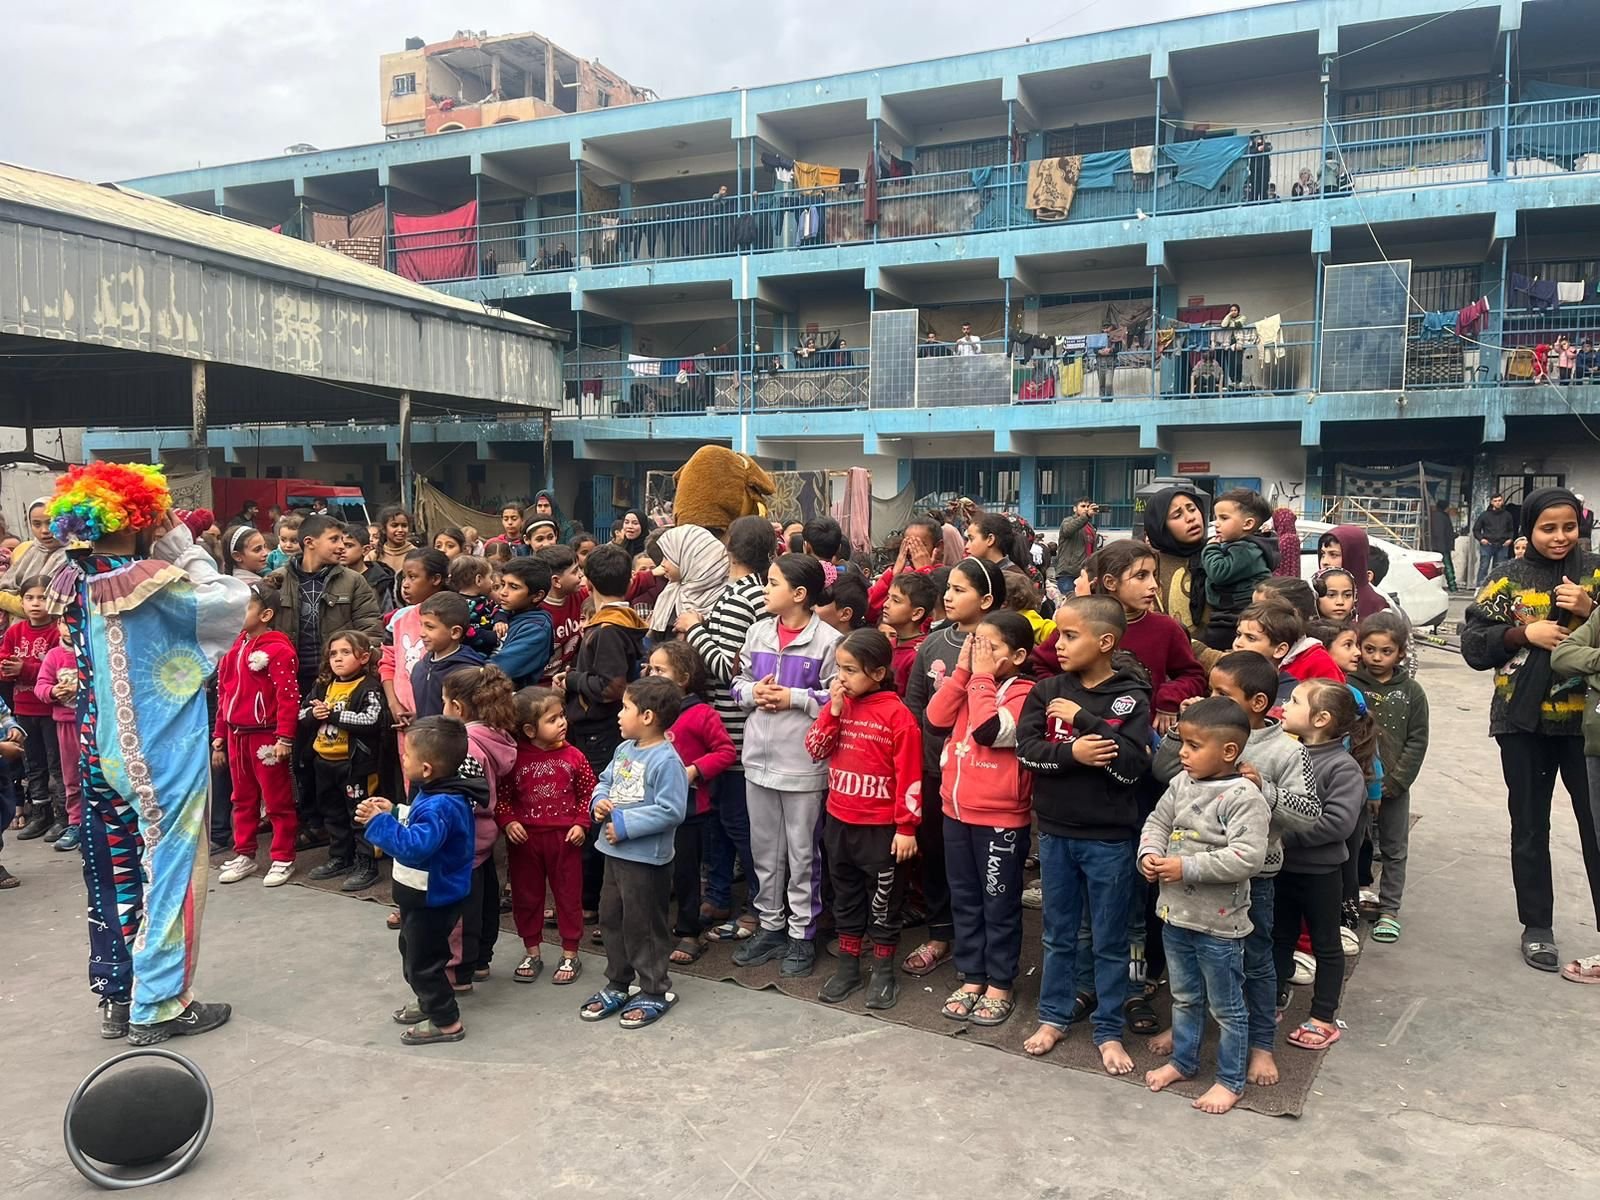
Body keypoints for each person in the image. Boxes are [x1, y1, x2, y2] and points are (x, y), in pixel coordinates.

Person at [47, 462, 250, 1044]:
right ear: (142, 514)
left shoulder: (74, 576)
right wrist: (184, 544)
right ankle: (158, 1003)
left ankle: (116, 991)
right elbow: (227, 603)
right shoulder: (155, 578)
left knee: (111, 870)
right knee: (174, 873)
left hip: (96, 748)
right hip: (161, 749)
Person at [1151, 651, 1321, 1087]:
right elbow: (1165, 778)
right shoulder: (1201, 737)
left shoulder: (1287, 749)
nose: (1211, 699)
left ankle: (1260, 1045)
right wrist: (1183, 735)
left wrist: (1263, 787)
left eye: (1221, 694)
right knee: (1192, 968)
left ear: (1258, 703)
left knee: (1257, 962)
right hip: (1185, 884)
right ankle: (1190, 1037)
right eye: (1209, 690)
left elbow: (1310, 814)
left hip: (1254, 876)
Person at [1465, 487, 1600, 972]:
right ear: (1529, 530)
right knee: (1529, 826)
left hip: (1589, 726)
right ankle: (1537, 927)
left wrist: (1590, 611)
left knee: (1597, 826)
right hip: (1521, 723)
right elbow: (1474, 646)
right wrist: (1524, 634)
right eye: (1548, 528)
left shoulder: (1596, 574)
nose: (1560, 537)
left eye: (1568, 527)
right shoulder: (1506, 578)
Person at [1016, 595, 1151, 1074]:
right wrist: (1073, 755)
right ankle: (1053, 1016)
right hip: (1053, 834)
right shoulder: (1046, 689)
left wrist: (1085, 722)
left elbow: (1136, 767)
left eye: (1070, 635)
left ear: (1106, 642)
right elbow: (1027, 751)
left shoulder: (1131, 697)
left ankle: (1108, 1030)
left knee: (1110, 940)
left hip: (1110, 840)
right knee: (1058, 934)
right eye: (1058, 633)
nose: (1058, 643)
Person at [1139, 696, 1269, 1114]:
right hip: (1174, 916)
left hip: (1220, 928)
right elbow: (1158, 821)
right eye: (1182, 742)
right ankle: (1184, 1061)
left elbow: (1248, 857)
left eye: (1194, 746)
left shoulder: (1243, 797)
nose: (1182, 752)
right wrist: (1148, 855)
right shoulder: (1181, 783)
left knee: (1228, 1008)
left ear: (1229, 751)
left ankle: (1230, 1081)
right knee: (1184, 997)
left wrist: (1185, 866)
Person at [730, 554, 842, 978]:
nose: (764, 590)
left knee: (802, 853)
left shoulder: (828, 641)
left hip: (804, 768)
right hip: (757, 762)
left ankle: (801, 933)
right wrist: (752, 691)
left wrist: (793, 698)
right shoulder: (757, 632)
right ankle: (771, 924)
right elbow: (737, 681)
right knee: (765, 852)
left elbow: (838, 700)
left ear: (799, 594)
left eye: (772, 583)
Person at [924, 610, 1036, 1026]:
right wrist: (962, 672)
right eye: (975, 642)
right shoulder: (969, 682)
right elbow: (935, 720)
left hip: (1000, 819)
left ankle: (1000, 983)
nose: (979, 651)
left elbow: (991, 730)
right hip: (956, 812)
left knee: (998, 903)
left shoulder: (1024, 694)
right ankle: (973, 976)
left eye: (990, 646)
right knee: (965, 898)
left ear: (1019, 655)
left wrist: (982, 678)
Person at [803, 629, 923, 1010]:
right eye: (839, 668)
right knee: (847, 895)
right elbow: (815, 750)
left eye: (850, 670)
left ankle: (883, 971)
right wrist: (834, 712)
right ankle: (849, 967)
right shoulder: (840, 705)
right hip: (839, 821)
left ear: (878, 672)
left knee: (885, 902)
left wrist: (906, 828)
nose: (841, 678)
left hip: (882, 830)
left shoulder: (898, 716)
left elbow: (910, 776)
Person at [900, 557, 1008, 979]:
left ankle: (982, 945)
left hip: (983, 776)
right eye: (949, 587)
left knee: (982, 867)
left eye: (960, 590)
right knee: (938, 857)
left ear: (987, 599)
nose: (948, 595)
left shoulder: (1001, 647)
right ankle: (941, 934)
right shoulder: (933, 643)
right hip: (933, 770)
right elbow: (914, 705)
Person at [357, 716, 484, 1046]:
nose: (403, 758)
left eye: (407, 755)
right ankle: (429, 999)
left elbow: (416, 846)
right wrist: (396, 811)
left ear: (426, 768)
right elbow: (421, 825)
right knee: (414, 951)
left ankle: (445, 1020)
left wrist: (381, 824)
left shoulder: (442, 802)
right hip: (420, 895)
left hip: (434, 898)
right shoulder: (437, 792)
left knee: (423, 961)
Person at [678, 515, 772, 940]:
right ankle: (718, 896)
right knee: (721, 821)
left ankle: (754, 904)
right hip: (736, 728)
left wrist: (694, 629)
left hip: (732, 730)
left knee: (736, 823)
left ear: (727, 548)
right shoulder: (754, 593)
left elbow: (726, 668)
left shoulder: (737, 598)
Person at [579, 676, 690, 1029]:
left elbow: (672, 810)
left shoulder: (666, 760)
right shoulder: (625, 749)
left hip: (646, 860)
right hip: (614, 853)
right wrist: (599, 802)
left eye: (625, 708)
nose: (618, 715)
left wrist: (626, 825)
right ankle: (618, 982)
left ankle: (654, 989)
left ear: (647, 716)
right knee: (612, 918)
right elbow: (606, 781)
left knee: (644, 925)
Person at [1274, 680, 1375, 1051]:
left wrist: (1282, 835)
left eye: (1295, 701)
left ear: (1321, 718)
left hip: (1321, 873)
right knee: (1278, 937)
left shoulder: (1341, 768)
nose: (1285, 704)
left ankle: (1322, 1017)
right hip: (1282, 869)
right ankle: (1272, 999)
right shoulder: (1287, 754)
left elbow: (1337, 824)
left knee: (1326, 944)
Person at [558, 543, 650, 919]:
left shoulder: (609, 628)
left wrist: (573, 679)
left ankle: (593, 900)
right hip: (601, 728)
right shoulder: (619, 621)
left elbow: (612, 686)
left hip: (599, 730)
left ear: (589, 580)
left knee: (596, 809)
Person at [647, 640, 736, 965]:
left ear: (683, 677)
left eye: (661, 670)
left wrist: (694, 770)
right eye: (650, 668)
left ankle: (689, 931)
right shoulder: (649, 713)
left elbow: (725, 751)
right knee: (653, 870)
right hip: (651, 810)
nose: (652, 674)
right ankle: (651, 927)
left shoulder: (701, 714)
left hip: (689, 810)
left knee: (686, 873)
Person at [500, 686, 595, 986]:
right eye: (553, 719)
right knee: (526, 896)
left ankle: (570, 952)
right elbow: (501, 797)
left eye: (562, 716)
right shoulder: (513, 759)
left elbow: (588, 794)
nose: (562, 722)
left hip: (565, 840)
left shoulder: (575, 756)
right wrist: (508, 821)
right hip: (524, 841)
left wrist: (582, 823)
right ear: (529, 729)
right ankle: (532, 950)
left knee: (568, 896)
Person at [213, 583, 301, 887]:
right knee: (242, 798)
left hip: (266, 737)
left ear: (265, 614)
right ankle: (245, 854)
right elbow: (224, 694)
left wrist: (284, 737)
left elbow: (288, 697)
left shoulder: (278, 649)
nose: (238, 614)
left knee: (277, 800)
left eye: (246, 607)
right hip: (237, 736)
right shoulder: (233, 648)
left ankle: (283, 857)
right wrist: (219, 736)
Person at [1350, 613, 1429, 944]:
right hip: (1353, 786)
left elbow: (1417, 740)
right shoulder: (1351, 686)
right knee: (1354, 846)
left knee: (1395, 849)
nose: (1377, 658)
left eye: (1386, 651)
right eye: (1370, 650)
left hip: (1396, 786)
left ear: (1401, 654)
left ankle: (1390, 910)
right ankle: (1351, 904)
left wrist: (1395, 782)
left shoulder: (1412, 692)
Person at [440, 666, 519, 991]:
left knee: (460, 912)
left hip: (465, 840)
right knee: (485, 901)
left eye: (444, 703)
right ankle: (481, 959)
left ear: (457, 708)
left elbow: (464, 798)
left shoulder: (467, 746)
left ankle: (458, 972)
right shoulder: (494, 737)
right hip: (486, 836)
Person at [302, 630, 388, 891]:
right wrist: (314, 714)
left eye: (345, 653)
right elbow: (301, 712)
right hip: (324, 761)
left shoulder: (369, 687)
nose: (337, 659)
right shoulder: (323, 685)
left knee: (360, 813)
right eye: (333, 654)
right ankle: (341, 857)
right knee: (333, 812)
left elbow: (371, 719)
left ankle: (367, 862)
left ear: (363, 657)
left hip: (356, 765)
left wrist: (333, 715)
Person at [2, 577, 64, 841]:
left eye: (41, 597)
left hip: (49, 710)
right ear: (22, 601)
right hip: (23, 709)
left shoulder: (56, 633)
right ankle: (41, 813)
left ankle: (62, 817)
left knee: (55, 764)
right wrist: (7, 668)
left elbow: (57, 668)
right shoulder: (15, 632)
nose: (35, 603)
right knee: (33, 764)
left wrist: (24, 669)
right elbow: (4, 661)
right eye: (30, 598)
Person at [1200, 488, 1280, 650]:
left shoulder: (1245, 550)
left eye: (1224, 518)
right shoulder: (1240, 546)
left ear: (1248, 524)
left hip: (1237, 613)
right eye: (1216, 518)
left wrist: (1211, 548)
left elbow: (1219, 572)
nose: (1216, 523)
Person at [1143, 483, 1212, 649]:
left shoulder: (1220, 557)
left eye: (1192, 508)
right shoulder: (1148, 567)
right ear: (1161, 527)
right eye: (1177, 515)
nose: (1190, 517)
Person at [34, 621, 83, 851]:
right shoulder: (54, 655)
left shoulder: (92, 650)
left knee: (100, 774)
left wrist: (81, 689)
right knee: (71, 777)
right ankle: (76, 824)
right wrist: (53, 691)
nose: (70, 625)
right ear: (58, 624)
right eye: (64, 621)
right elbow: (41, 685)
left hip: (94, 723)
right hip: (66, 725)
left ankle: (99, 825)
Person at [410, 592, 485, 721]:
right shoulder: (419, 668)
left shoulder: (467, 673)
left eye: (430, 627)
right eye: (421, 625)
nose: (422, 633)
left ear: (455, 632)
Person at [649, 524, 729, 641]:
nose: (662, 564)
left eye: (668, 557)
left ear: (690, 558)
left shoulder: (724, 598)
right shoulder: (672, 593)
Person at [491, 558, 554, 689]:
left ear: (537, 596)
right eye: (503, 584)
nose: (503, 592)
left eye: (514, 587)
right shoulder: (505, 613)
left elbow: (498, 670)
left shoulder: (536, 630)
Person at [0, 499, 67, 620]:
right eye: (37, 524)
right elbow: (6, 586)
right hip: (16, 630)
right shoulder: (25, 550)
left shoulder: (75, 554)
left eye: (51, 523)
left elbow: (51, 607)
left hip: (53, 633)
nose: (45, 530)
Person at [866, 516, 940, 625]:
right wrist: (893, 574)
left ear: (938, 547)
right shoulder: (903, 573)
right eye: (909, 544)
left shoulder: (944, 576)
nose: (913, 551)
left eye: (919, 545)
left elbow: (935, 615)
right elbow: (870, 612)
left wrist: (925, 571)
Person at [535, 544, 588, 684]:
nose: (581, 575)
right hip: (539, 686)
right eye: (575, 571)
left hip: (567, 679)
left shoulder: (580, 597)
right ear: (556, 581)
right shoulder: (535, 613)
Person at [1316, 526, 1391, 618]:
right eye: (1323, 554)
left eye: (1333, 555)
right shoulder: (1314, 596)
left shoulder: (1376, 607)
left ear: (1353, 558)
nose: (1324, 562)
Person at [881, 572, 936, 696]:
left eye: (896, 600)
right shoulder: (888, 645)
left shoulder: (919, 654)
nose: (886, 604)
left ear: (916, 613)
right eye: (888, 597)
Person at [448, 555, 499, 656]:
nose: (492, 582)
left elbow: (497, 610)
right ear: (478, 580)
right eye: (490, 577)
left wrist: (500, 621)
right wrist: (494, 636)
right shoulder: (459, 606)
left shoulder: (485, 599)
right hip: (472, 656)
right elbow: (467, 632)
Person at [1472, 493, 1518, 586]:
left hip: (1502, 545)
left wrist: (1510, 539)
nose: (1497, 503)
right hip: (1487, 545)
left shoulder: (1507, 515)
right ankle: (1479, 587)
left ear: (1502, 501)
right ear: (1491, 502)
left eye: (1499, 500)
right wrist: (1481, 539)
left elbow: (1511, 529)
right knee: (1484, 567)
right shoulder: (1484, 515)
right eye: (1495, 501)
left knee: (1499, 568)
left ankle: (1496, 588)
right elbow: (1476, 529)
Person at [1055, 499, 1099, 587]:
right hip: (1069, 574)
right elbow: (1068, 530)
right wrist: (1086, 516)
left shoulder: (1090, 527)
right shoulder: (1068, 521)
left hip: (1085, 574)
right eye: (1083, 506)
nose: (1086, 509)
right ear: (1075, 509)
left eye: (1088, 507)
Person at [1429, 501, 1460, 591]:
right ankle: (1452, 586)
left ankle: (1432, 587)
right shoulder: (1443, 517)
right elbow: (1443, 532)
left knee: (1434, 567)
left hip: (1436, 545)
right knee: (1448, 567)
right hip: (1443, 546)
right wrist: (1453, 535)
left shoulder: (1434, 516)